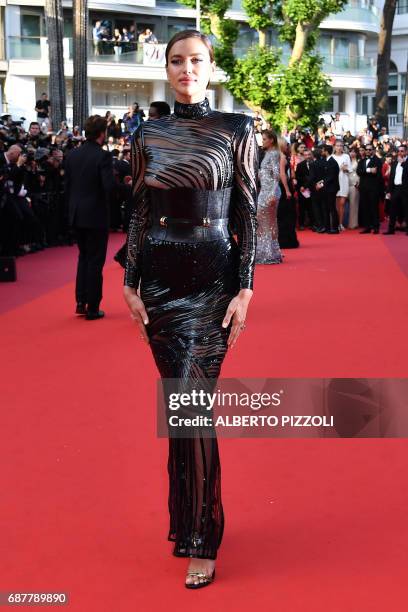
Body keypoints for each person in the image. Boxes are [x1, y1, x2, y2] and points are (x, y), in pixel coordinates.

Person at [122, 29, 258, 588]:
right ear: (167, 69)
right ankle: (187, 517)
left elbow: (249, 212)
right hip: (157, 284)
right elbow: (135, 212)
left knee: (193, 404)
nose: (186, 70)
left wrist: (245, 287)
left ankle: (204, 536)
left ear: (210, 67)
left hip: (212, 286)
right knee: (178, 405)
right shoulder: (146, 134)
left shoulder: (236, 128)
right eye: (176, 61)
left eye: (196, 61)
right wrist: (130, 282)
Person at [65, 115, 116, 319]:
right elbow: (108, 187)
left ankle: (80, 302)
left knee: (83, 258)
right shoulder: (102, 156)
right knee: (95, 261)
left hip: (76, 214)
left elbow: (68, 187)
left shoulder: (72, 155)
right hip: (95, 215)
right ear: (103, 133)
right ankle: (93, 307)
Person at [255, 129, 284, 264]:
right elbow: (267, 174)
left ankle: (269, 253)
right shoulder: (268, 154)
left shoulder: (273, 154)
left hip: (270, 192)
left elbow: (277, 175)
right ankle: (269, 252)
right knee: (264, 222)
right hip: (265, 191)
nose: (263, 141)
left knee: (268, 222)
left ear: (271, 140)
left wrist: (272, 194)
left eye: (265, 139)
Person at [357, 144, 383, 234]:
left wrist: (367, 172)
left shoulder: (378, 161)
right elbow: (358, 171)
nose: (368, 151)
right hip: (363, 188)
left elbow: (377, 174)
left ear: (373, 150)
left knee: (374, 208)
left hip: (373, 188)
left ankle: (376, 227)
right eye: (366, 149)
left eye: (370, 149)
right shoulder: (362, 160)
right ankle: (367, 227)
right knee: (365, 207)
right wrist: (369, 170)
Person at [383, 144, 408, 235]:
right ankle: (391, 229)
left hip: (405, 189)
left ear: (406, 152)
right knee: (392, 210)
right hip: (395, 189)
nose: (400, 153)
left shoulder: (406, 162)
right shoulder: (394, 163)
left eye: (402, 151)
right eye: (399, 151)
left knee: (406, 209)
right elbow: (391, 178)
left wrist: (403, 163)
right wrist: (389, 191)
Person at [319, 144, 340, 234]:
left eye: (323, 150)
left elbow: (331, 176)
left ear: (326, 151)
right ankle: (327, 227)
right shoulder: (325, 160)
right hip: (326, 188)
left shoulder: (332, 162)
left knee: (332, 208)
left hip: (331, 188)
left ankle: (335, 228)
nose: (321, 152)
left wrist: (322, 182)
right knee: (325, 208)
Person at [332, 140, 351, 231]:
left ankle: (340, 223)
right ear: (334, 147)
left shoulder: (346, 156)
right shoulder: (331, 157)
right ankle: (336, 224)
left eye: (341, 146)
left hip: (344, 180)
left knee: (342, 203)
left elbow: (350, 169)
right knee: (336, 204)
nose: (339, 147)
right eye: (337, 145)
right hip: (334, 182)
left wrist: (345, 169)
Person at [295, 148, 315, 230]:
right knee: (302, 208)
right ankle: (301, 224)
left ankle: (313, 224)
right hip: (302, 190)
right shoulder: (300, 165)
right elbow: (298, 177)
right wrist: (301, 187)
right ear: (303, 156)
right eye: (306, 155)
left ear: (311, 155)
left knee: (312, 208)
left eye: (309, 154)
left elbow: (315, 177)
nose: (307, 156)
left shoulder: (315, 163)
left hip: (313, 189)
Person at [348, 148, 359, 229]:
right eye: (351, 151)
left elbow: (360, 173)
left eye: (354, 151)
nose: (352, 153)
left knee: (353, 204)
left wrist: (358, 182)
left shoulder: (358, 161)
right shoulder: (346, 160)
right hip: (345, 183)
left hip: (354, 184)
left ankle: (353, 224)